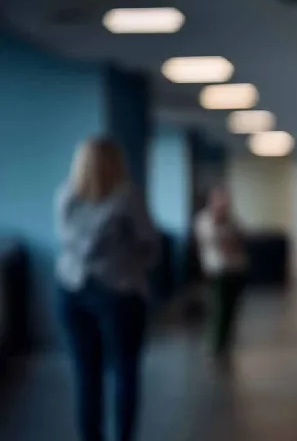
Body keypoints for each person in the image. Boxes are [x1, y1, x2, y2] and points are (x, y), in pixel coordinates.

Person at [55, 136, 160, 441]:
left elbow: (69, 243)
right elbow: (150, 244)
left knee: (86, 374)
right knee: (125, 372)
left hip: (71, 287)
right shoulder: (126, 196)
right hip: (120, 290)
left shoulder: (65, 195)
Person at [194, 185, 248, 360]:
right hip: (218, 270)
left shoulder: (231, 220)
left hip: (236, 269)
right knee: (218, 309)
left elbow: (239, 240)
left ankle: (226, 342)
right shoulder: (205, 220)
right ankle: (215, 344)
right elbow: (219, 243)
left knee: (231, 310)